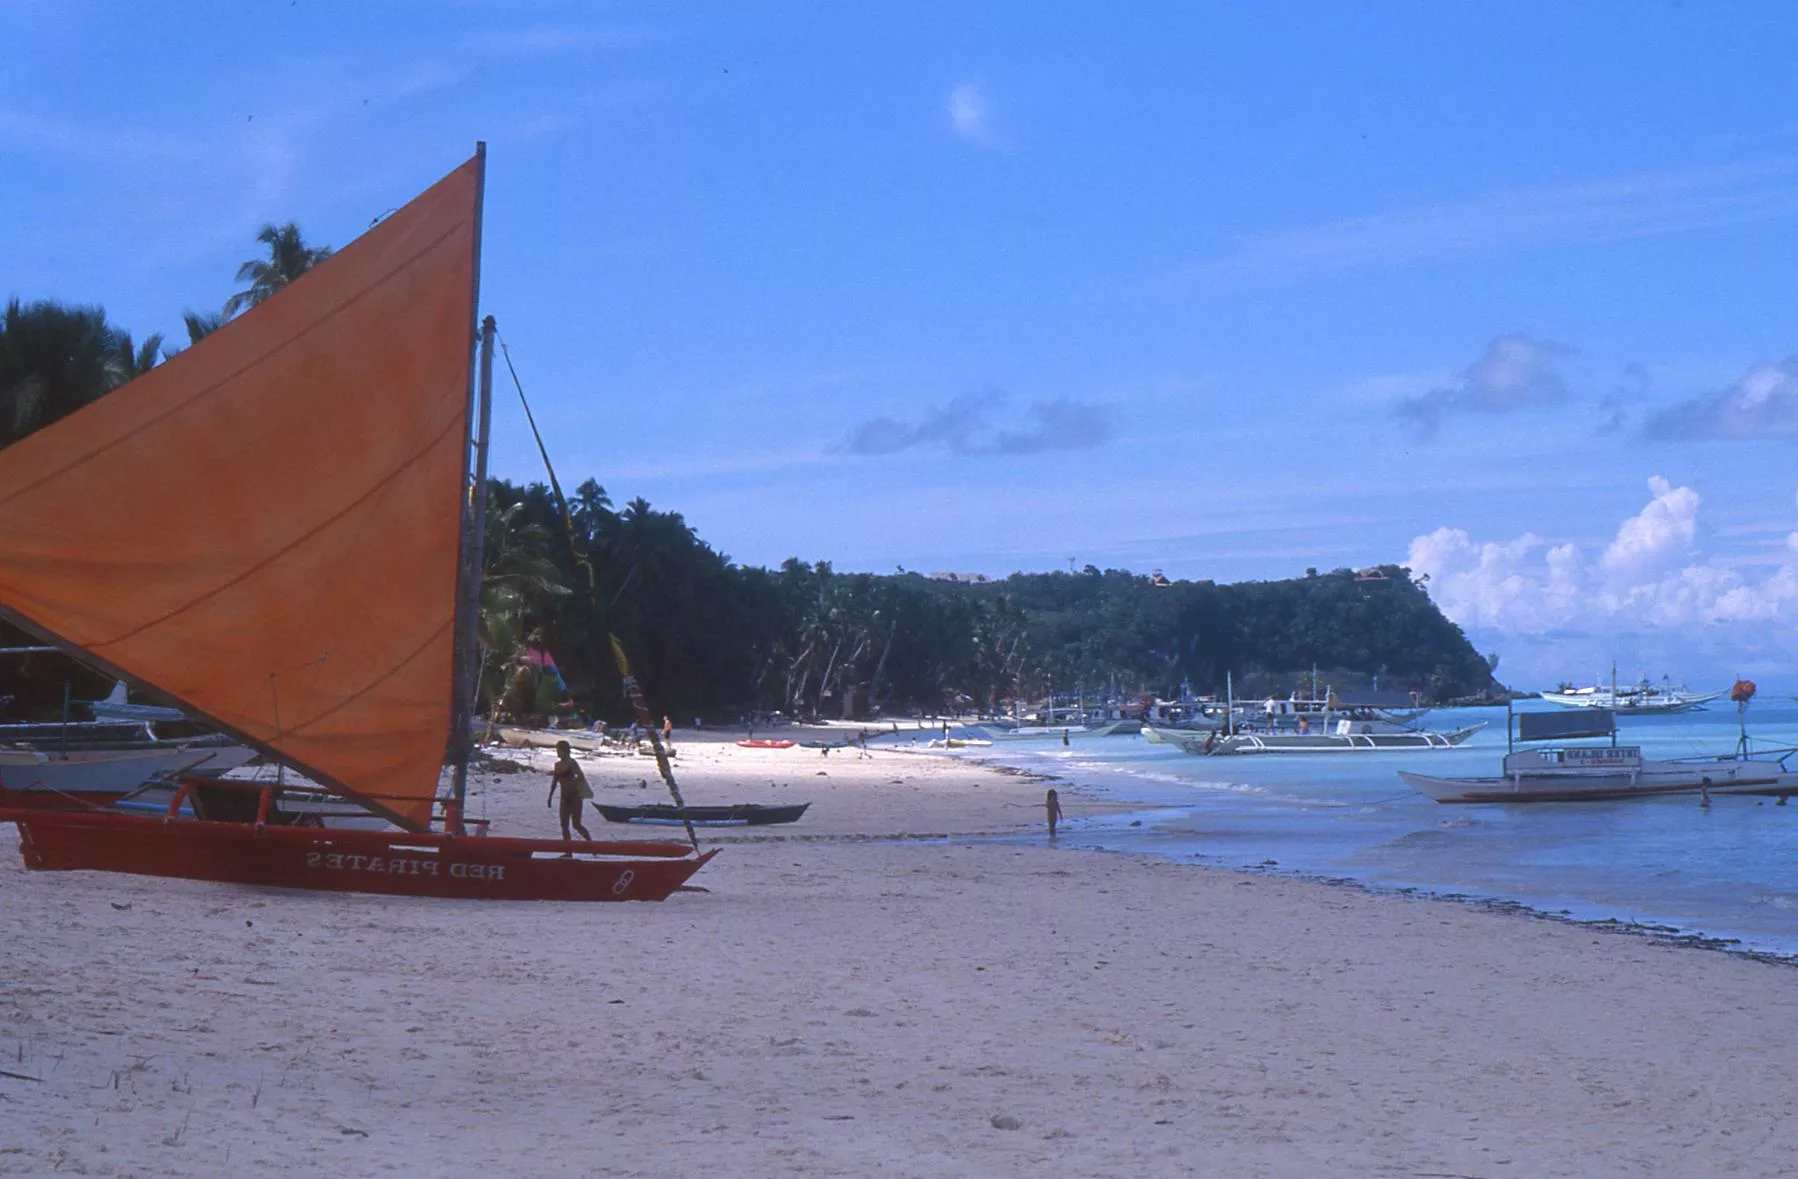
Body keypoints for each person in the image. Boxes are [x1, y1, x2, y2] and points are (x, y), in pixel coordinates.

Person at [546, 739, 593, 844]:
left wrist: (571, 784)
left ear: (565, 751)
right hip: (564, 797)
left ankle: (591, 846)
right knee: (564, 825)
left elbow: (581, 776)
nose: (557, 753)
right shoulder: (557, 765)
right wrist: (550, 796)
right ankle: (568, 852)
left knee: (576, 825)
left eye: (559, 750)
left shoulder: (572, 763)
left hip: (575, 796)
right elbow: (555, 781)